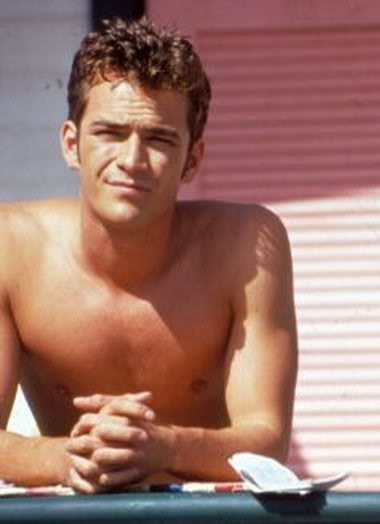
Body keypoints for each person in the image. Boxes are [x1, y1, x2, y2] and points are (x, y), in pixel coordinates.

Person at [0, 17, 298, 493]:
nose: (132, 160)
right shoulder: (12, 245)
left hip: (207, 521)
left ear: (192, 160)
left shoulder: (245, 245)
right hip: (75, 514)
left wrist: (162, 446)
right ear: (72, 145)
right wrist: (64, 456)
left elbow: (267, 440)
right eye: (110, 133)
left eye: (159, 139)